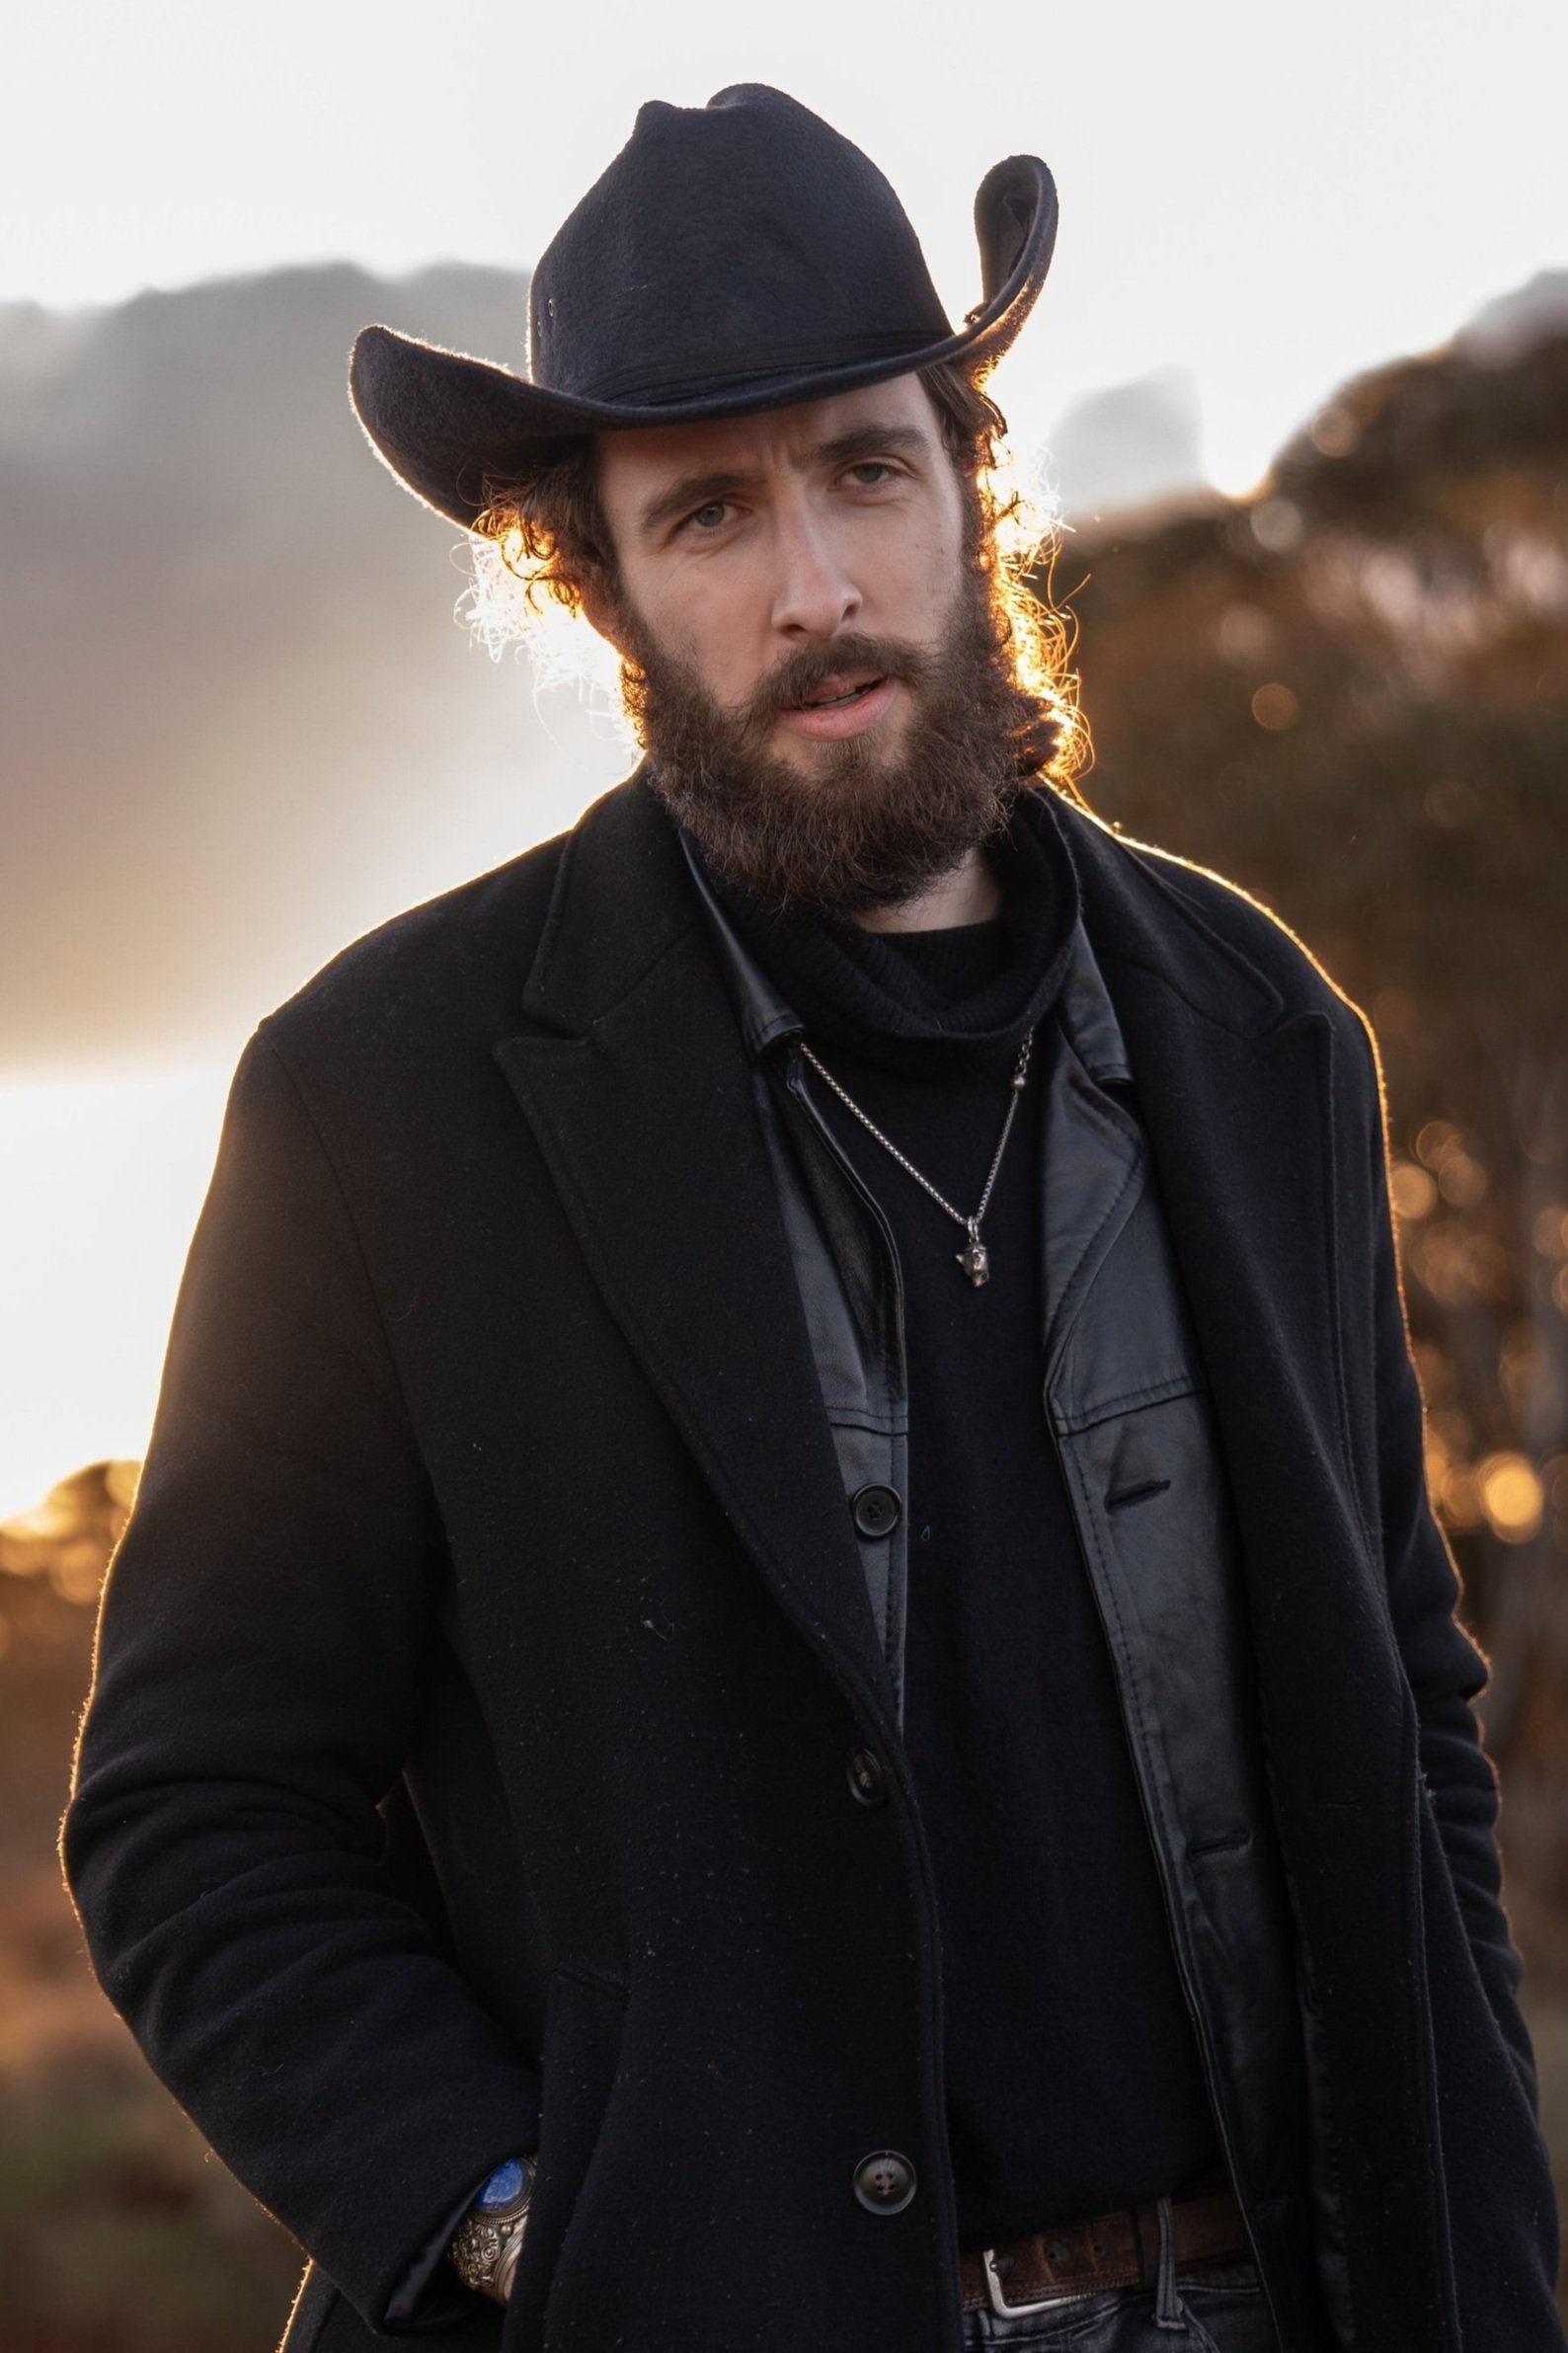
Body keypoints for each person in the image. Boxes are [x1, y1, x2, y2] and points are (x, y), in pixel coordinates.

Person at [61, 83, 1562, 2353]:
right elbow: (197, 1809)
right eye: (707, 513)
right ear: (597, 587)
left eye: (863, 469)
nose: (815, 588)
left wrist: (1481, 2245)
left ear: (968, 485)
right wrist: (528, 2229)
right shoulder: (380, 1096)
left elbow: (1404, 1707)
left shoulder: (1257, 1027)